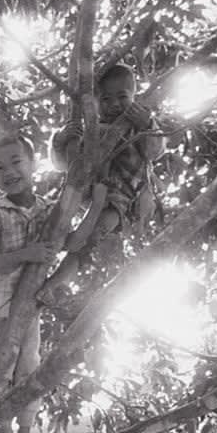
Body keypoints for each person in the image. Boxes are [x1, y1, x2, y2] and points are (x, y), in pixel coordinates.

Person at [0, 135, 104, 433]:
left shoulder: (50, 210)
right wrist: (26, 254)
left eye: (16, 162)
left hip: (29, 307)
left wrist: (98, 207)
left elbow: (71, 244)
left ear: (33, 165)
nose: (8, 171)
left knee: (30, 369)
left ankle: (25, 431)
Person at [44, 63, 166, 298]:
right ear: (95, 103)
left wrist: (147, 124)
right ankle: (51, 258)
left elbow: (154, 151)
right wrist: (60, 139)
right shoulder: (93, 129)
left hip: (124, 196)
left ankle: (55, 282)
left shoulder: (136, 125)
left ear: (134, 96)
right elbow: (61, 164)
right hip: (91, 191)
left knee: (87, 241)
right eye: (106, 99)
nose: (114, 105)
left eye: (122, 96)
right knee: (68, 232)